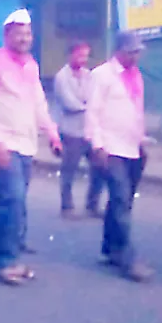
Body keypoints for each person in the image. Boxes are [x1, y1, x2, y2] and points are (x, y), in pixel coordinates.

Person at [0, 9, 61, 285]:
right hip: (3, 143)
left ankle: (8, 247)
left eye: (27, 34)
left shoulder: (31, 66)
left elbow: (38, 104)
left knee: (12, 200)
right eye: (18, 33)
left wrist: (53, 134)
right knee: (13, 198)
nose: (24, 38)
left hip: (26, 143)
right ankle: (6, 261)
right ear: (6, 35)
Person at [86, 31, 153, 282]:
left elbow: (137, 112)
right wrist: (97, 145)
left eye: (138, 52)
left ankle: (111, 248)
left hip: (132, 147)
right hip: (110, 146)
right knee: (121, 198)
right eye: (132, 52)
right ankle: (129, 258)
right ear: (120, 51)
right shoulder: (101, 75)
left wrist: (142, 140)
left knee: (122, 201)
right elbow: (92, 112)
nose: (136, 56)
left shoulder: (136, 77)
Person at [54, 40, 106, 219]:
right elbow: (69, 104)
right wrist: (90, 106)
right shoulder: (62, 77)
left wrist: (89, 104)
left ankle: (92, 204)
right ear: (70, 55)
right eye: (80, 55)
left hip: (89, 131)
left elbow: (95, 97)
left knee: (100, 167)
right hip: (70, 131)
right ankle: (66, 207)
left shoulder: (88, 75)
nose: (83, 59)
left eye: (85, 55)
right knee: (69, 170)